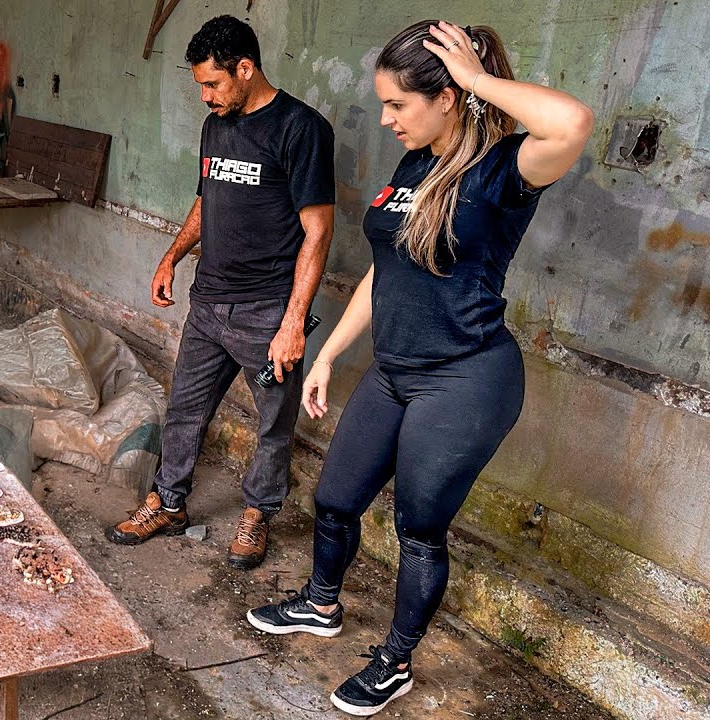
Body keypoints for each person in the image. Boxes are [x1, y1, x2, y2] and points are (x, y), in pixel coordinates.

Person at [244, 20, 594, 716]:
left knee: (419, 528)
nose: (386, 118)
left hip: (466, 378)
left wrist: (479, 81)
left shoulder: (505, 169)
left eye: (398, 104)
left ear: (447, 96)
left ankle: (396, 660)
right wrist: (332, 353)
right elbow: (387, 270)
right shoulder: (413, 165)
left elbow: (574, 121)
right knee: (337, 498)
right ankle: (320, 605)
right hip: (395, 369)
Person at [104, 15, 335, 570]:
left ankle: (257, 514)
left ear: (246, 68)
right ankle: (168, 502)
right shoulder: (217, 123)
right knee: (184, 409)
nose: (205, 96)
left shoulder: (300, 129)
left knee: (272, 424)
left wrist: (291, 322)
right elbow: (207, 200)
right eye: (201, 86)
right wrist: (171, 256)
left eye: (213, 84)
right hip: (209, 303)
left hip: (266, 311)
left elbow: (319, 229)